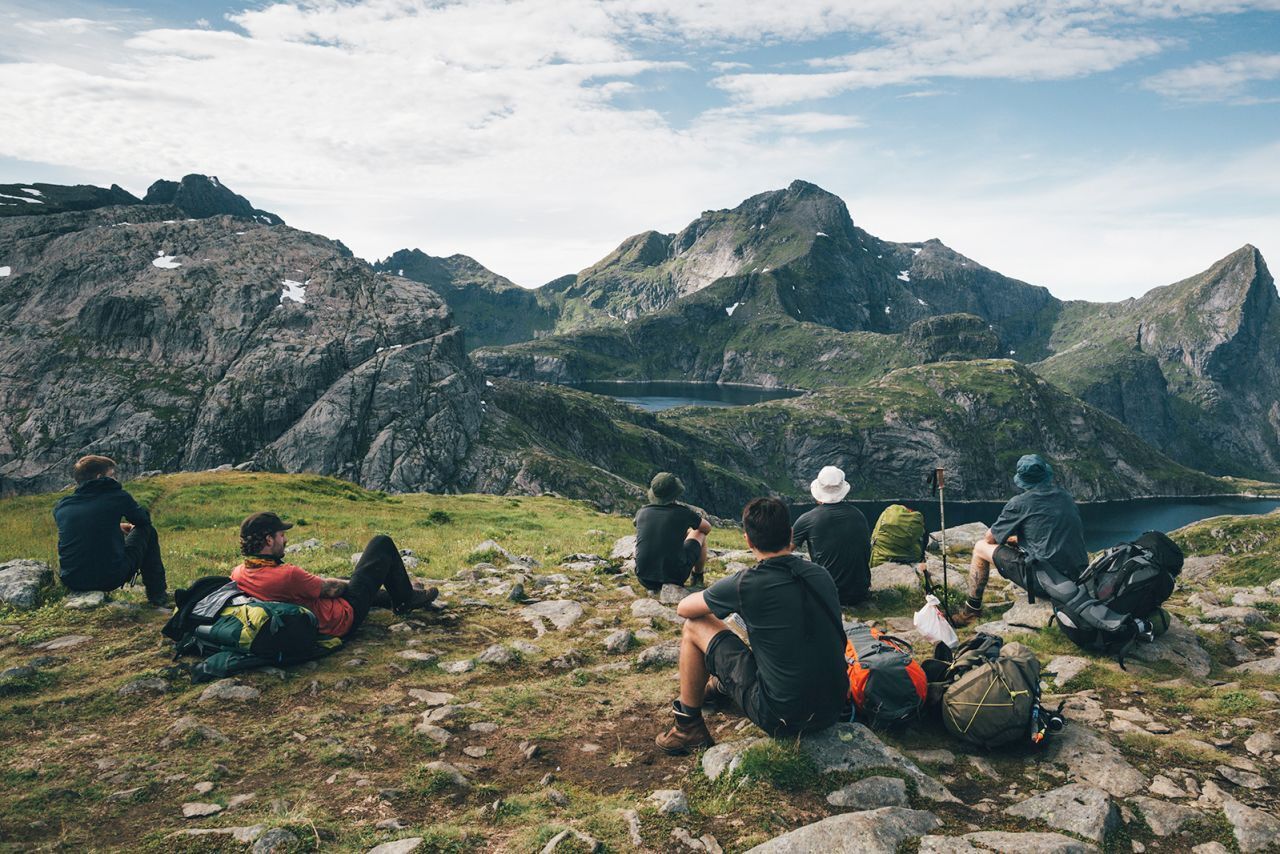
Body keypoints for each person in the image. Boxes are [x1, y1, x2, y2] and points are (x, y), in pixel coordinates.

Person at [655, 497, 848, 754]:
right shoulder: (820, 574)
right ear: (790, 534)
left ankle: (687, 726)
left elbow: (684, 608)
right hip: (834, 707)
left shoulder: (747, 583)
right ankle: (721, 688)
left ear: (748, 540)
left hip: (782, 717)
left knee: (695, 625)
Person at [230, 512, 437, 639]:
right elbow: (333, 590)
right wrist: (352, 581)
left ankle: (401, 593)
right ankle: (405, 599)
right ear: (268, 540)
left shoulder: (239, 573)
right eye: (281, 535)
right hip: (340, 620)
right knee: (381, 544)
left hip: (306, 619)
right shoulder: (287, 575)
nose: (285, 540)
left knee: (357, 581)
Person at [952, 454, 1088, 626]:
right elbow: (1050, 533)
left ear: (1023, 481)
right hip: (1077, 577)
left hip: (1046, 582)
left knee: (980, 547)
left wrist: (1007, 538)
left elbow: (990, 538)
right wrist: (1019, 540)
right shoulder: (1066, 497)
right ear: (1046, 474)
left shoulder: (1020, 503)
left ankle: (971, 610)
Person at [53, 455, 169, 606]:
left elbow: (87, 528)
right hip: (109, 578)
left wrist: (116, 526)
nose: (116, 480)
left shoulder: (62, 506)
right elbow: (143, 520)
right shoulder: (116, 496)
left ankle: (157, 595)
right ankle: (157, 594)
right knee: (147, 530)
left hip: (72, 579)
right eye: (112, 475)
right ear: (100, 477)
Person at [792, 466, 871, 605]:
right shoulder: (858, 515)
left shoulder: (808, 519)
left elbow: (783, 549)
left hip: (828, 594)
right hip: (861, 592)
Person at [633, 472, 711, 592]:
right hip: (675, 577)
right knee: (700, 533)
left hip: (643, 578)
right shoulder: (683, 513)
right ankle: (697, 578)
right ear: (675, 494)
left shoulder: (642, 512)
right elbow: (706, 528)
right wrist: (686, 531)